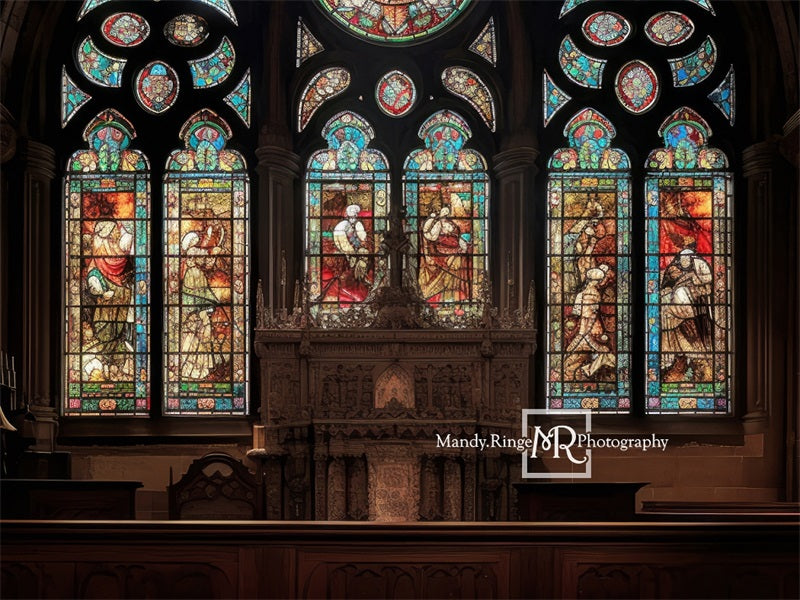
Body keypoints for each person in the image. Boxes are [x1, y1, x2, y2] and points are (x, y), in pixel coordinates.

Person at [83, 220, 135, 381]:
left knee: (120, 338)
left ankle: (117, 369)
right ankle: (106, 369)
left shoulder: (123, 257)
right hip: (105, 311)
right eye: (114, 231)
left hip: (123, 310)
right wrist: (102, 293)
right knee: (106, 337)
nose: (117, 233)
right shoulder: (96, 266)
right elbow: (93, 288)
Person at [179, 226, 227, 380]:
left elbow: (202, 291)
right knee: (196, 340)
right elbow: (196, 295)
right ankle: (192, 371)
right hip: (196, 313)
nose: (196, 258)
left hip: (197, 312)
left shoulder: (194, 271)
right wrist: (205, 308)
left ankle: (197, 371)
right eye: (193, 256)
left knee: (200, 341)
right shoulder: (193, 273)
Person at [565, 265, 616, 379]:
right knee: (603, 350)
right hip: (591, 327)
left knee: (602, 350)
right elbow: (588, 314)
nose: (599, 283)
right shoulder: (594, 294)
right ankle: (588, 369)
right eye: (598, 281)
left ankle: (589, 369)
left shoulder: (581, 295)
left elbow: (580, 312)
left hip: (589, 327)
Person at [660, 248, 713, 354]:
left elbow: (709, 278)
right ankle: (673, 346)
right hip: (678, 295)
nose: (684, 262)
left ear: (691, 258)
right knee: (669, 300)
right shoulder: (675, 266)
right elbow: (667, 282)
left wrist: (693, 280)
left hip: (697, 294)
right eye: (682, 259)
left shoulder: (699, 263)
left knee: (681, 293)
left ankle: (695, 342)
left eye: (686, 259)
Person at [319, 203, 372, 305]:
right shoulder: (342, 225)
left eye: (355, 215)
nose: (354, 217)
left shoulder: (357, 224)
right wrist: (350, 252)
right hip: (344, 249)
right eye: (352, 215)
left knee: (364, 254)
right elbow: (340, 240)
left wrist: (362, 244)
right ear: (347, 215)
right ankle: (349, 284)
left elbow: (362, 237)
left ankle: (360, 278)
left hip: (355, 249)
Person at [419, 204, 470, 306]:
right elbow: (431, 237)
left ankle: (453, 296)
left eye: (447, 212)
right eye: (443, 212)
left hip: (453, 251)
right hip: (441, 253)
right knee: (448, 269)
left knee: (455, 267)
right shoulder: (436, 224)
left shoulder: (452, 224)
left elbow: (457, 237)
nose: (445, 214)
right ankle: (435, 295)